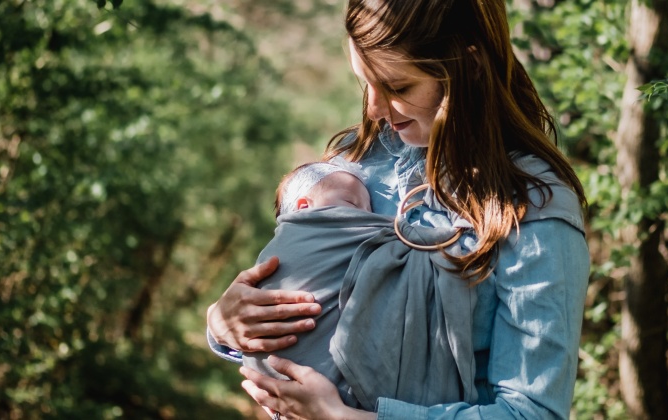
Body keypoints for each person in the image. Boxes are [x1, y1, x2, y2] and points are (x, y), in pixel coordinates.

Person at [206, 0, 591, 418]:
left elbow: (532, 411)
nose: (373, 109)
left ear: (470, 66)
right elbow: (304, 293)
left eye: (398, 87)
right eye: (365, 82)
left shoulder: (532, 206)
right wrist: (223, 325)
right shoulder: (355, 165)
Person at [227, 159, 476, 411]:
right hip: (289, 378)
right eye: (351, 204)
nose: (367, 216)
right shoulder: (295, 239)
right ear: (304, 207)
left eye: (369, 209)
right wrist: (218, 328)